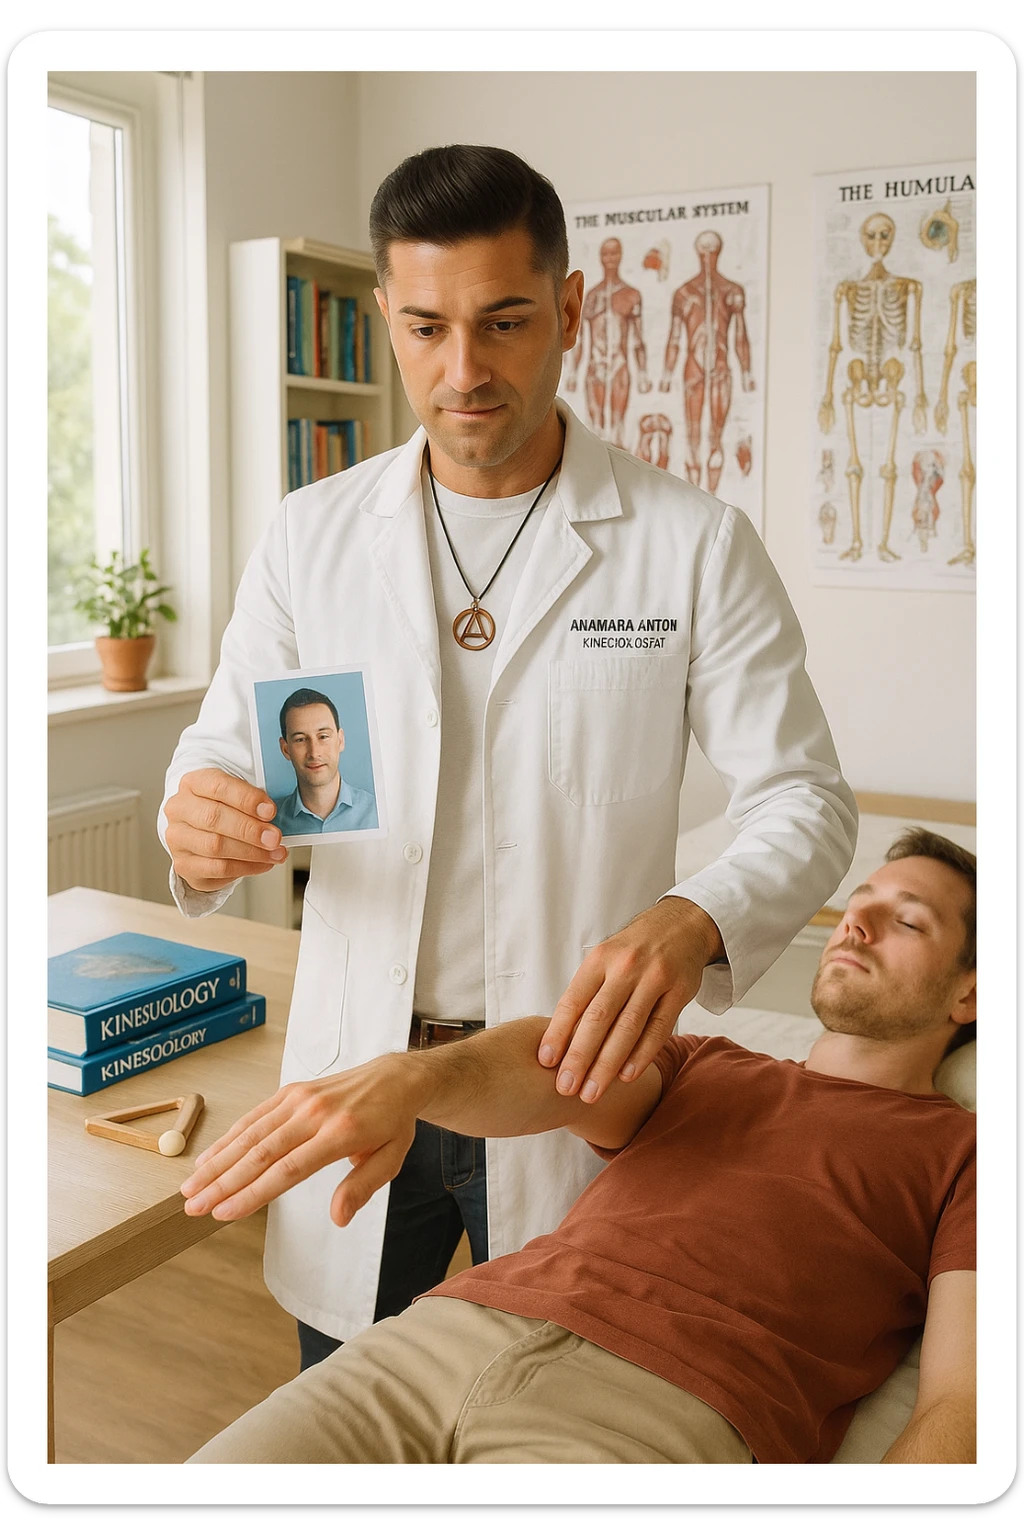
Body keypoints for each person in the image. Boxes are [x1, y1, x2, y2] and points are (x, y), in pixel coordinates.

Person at [159, 144, 858, 1370]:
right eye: (425, 327)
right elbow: (224, 753)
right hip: (360, 1071)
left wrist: (694, 915)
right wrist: (198, 818)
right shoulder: (309, 536)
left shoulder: (691, 546)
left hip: (561, 1081)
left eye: (505, 321)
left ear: (572, 309)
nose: (464, 370)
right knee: (344, 1401)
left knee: (557, 1402)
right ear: (384, 318)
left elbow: (803, 796)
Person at [181, 829, 976, 1465]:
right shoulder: (709, 1061)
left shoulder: (967, 1151)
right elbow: (556, 1066)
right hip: (441, 1339)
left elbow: (963, 1401)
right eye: (859, 901)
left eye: (908, 920)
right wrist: (412, 1079)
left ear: (972, 991)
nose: (855, 924)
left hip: (662, 1413)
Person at [273, 688, 377, 836]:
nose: (314, 753)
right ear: (285, 749)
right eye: (300, 739)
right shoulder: (271, 822)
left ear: (340, 740)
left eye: (323, 736)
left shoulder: (376, 812)